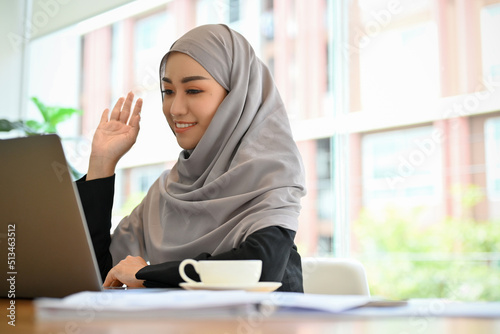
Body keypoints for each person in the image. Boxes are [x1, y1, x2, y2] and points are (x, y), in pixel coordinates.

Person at [76, 24, 306, 292]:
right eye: (168, 92)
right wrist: (101, 164)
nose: (175, 109)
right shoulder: (166, 192)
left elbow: (260, 268)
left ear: (236, 96)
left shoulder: (273, 174)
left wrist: (147, 274)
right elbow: (98, 273)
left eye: (193, 90)